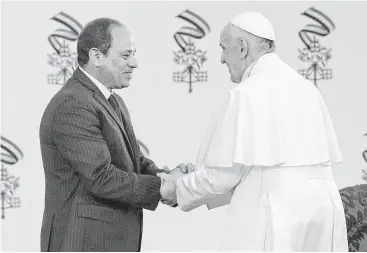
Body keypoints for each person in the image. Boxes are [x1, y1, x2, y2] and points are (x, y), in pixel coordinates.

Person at [159, 12, 348, 251]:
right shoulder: (307, 88)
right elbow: (258, 170)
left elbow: (223, 177)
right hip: (322, 213)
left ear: (241, 48)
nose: (221, 59)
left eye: (224, 48)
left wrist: (179, 187)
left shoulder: (247, 93)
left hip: (277, 214)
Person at [39, 18, 179, 252]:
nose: (134, 63)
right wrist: (161, 187)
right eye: (125, 56)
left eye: (133, 54)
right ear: (96, 56)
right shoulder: (74, 103)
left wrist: (166, 175)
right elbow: (101, 177)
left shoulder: (112, 99)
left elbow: (131, 162)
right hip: (83, 243)